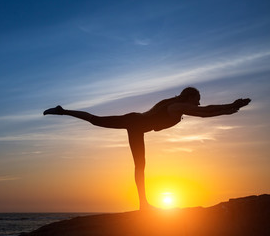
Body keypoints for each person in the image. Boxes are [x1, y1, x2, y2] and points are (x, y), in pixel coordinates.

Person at [43, 87, 251, 210]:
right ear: (189, 98)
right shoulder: (176, 106)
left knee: (140, 165)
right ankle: (63, 111)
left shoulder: (174, 103)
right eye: (197, 99)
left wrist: (231, 109)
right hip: (134, 122)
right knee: (97, 122)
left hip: (136, 126)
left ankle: (143, 203)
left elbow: (205, 112)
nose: (199, 102)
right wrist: (230, 106)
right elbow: (205, 112)